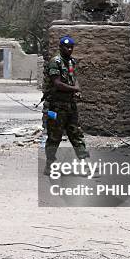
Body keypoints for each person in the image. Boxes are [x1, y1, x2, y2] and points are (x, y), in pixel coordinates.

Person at [42, 36, 89, 174]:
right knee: (54, 136)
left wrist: (77, 90)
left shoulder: (71, 62)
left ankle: (85, 164)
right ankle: (49, 165)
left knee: (76, 134)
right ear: (60, 47)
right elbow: (57, 83)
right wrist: (75, 89)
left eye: (71, 47)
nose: (69, 49)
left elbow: (74, 79)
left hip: (70, 105)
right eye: (66, 47)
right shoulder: (55, 62)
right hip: (56, 106)